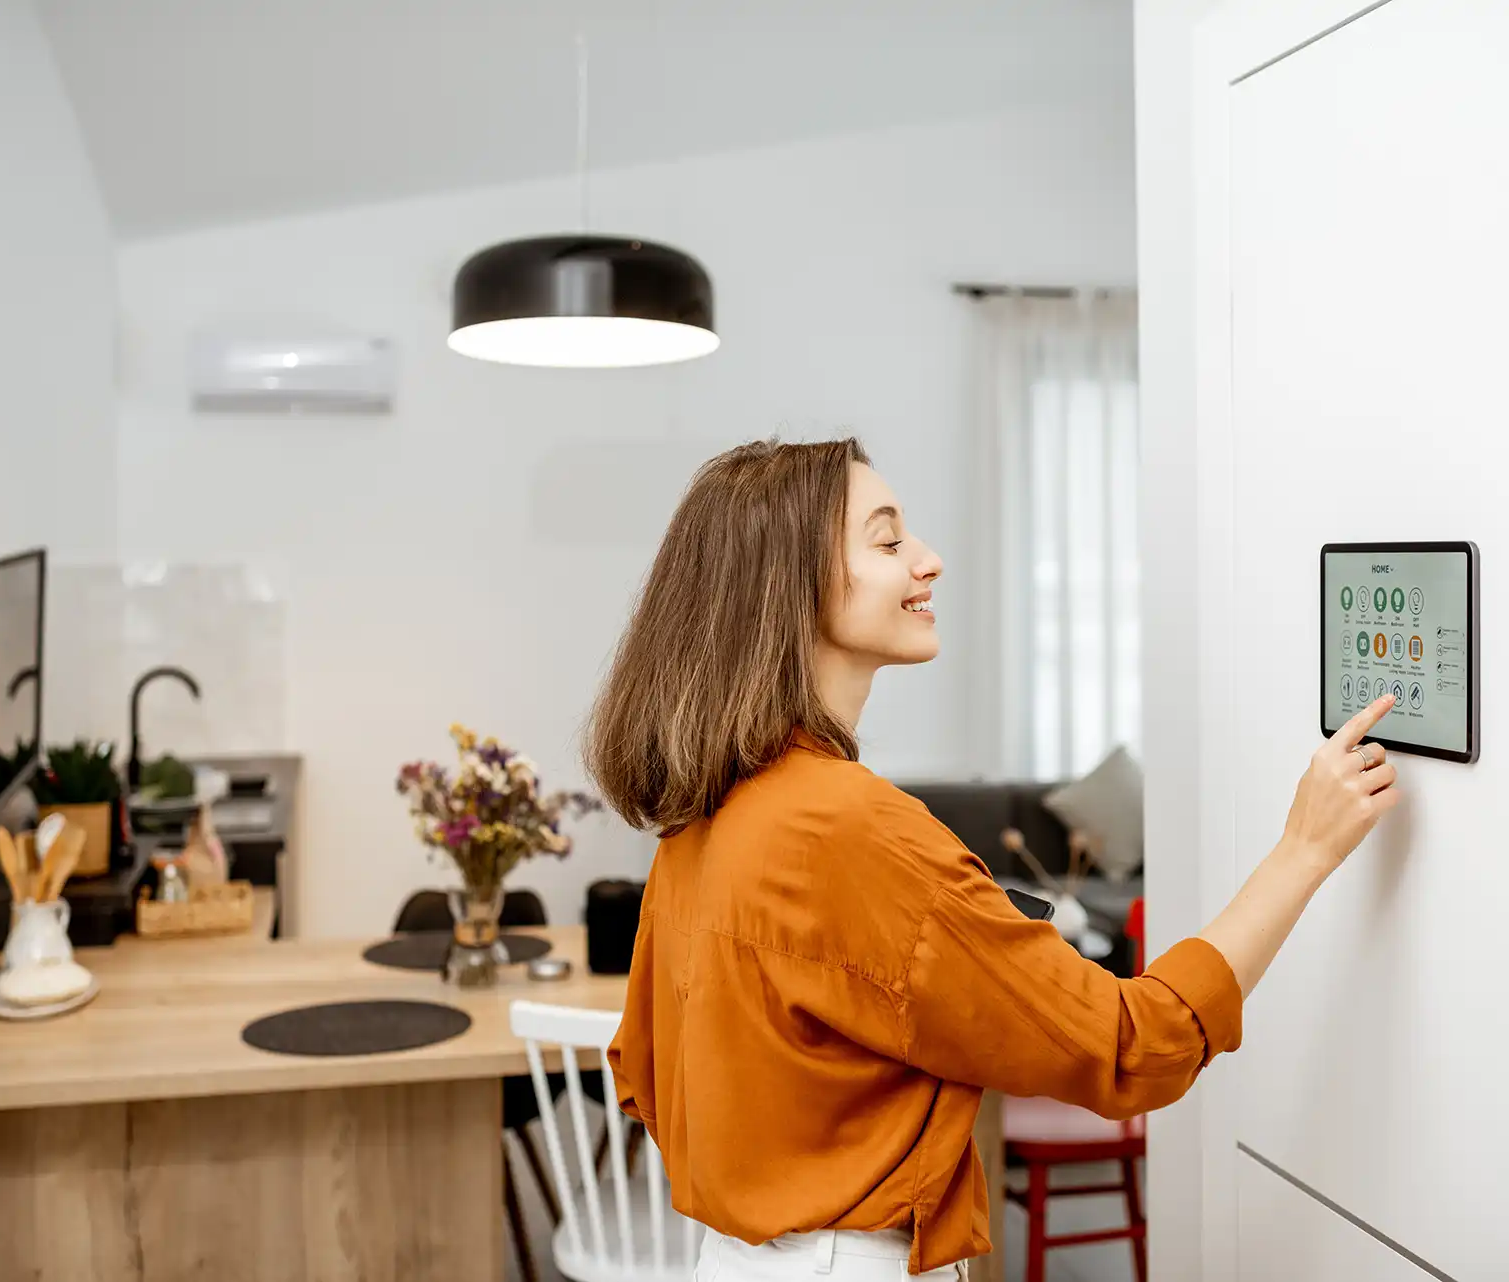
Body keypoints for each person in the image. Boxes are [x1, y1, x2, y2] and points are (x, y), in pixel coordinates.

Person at [585, 438, 1400, 1282]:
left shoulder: (701, 816)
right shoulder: (850, 827)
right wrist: (1305, 847)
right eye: (889, 540)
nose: (929, 561)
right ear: (790, 585)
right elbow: (1131, 1044)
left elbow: (642, 1074)